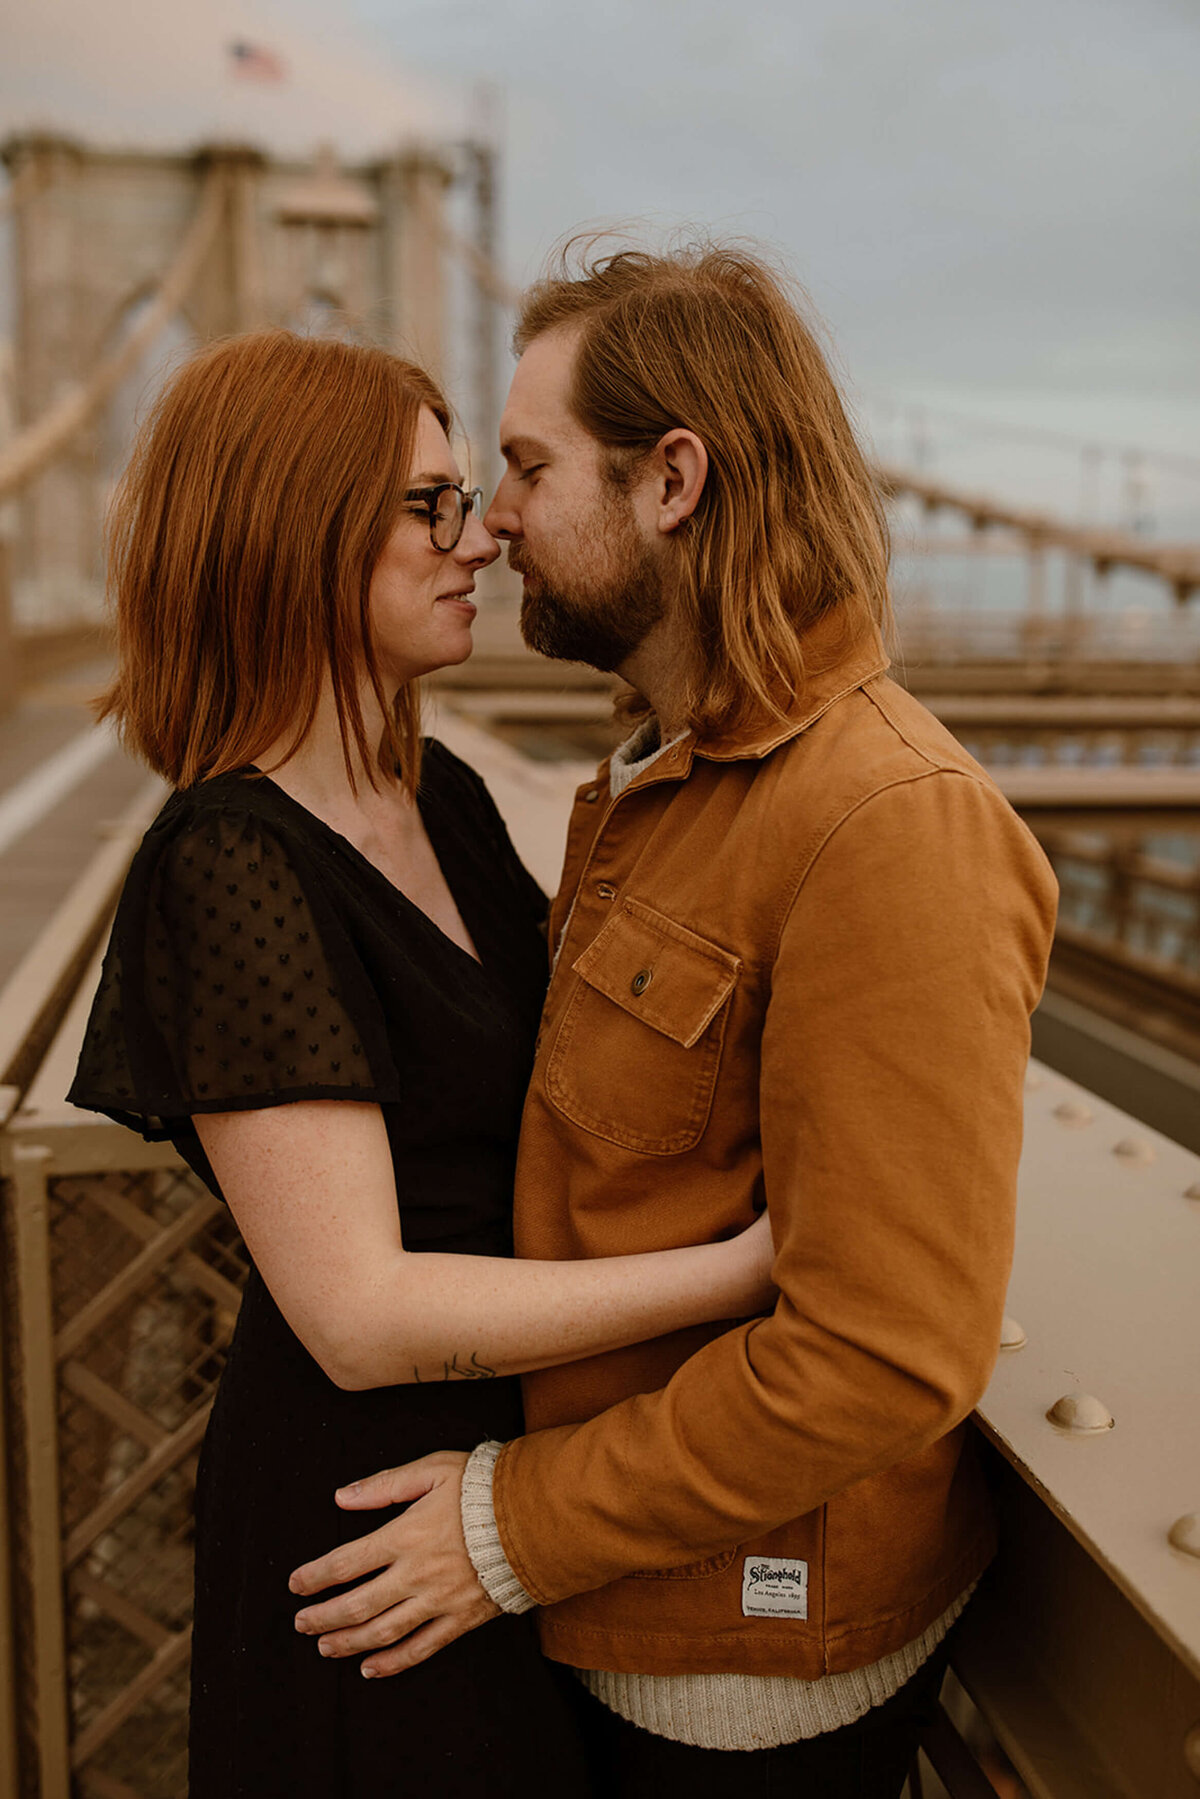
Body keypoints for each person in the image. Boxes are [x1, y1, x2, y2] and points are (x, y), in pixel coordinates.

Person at [289, 245, 1059, 1797]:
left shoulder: (884, 825)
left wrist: (513, 1528)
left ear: (674, 481)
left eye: (523, 466)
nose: (490, 522)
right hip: (625, 1617)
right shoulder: (660, 783)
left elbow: (883, 1356)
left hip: (744, 1674)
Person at [65, 328, 779, 1798]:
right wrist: (750, 1271)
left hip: (520, 1487)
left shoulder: (432, 790)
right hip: (375, 1525)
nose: (483, 539)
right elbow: (359, 1315)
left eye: (477, 495)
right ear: (299, 532)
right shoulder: (232, 866)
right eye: (433, 506)